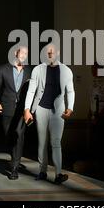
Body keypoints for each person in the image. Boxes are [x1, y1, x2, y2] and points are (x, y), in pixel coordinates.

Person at [23, 43, 75, 184]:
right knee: (42, 142)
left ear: (57, 52)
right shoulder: (37, 70)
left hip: (58, 111)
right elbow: (31, 91)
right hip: (40, 109)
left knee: (56, 142)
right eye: (48, 51)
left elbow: (70, 91)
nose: (50, 53)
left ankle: (58, 174)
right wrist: (27, 109)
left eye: (52, 51)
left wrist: (70, 107)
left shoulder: (66, 71)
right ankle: (42, 171)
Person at [0, 46, 31, 180]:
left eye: (26, 53)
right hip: (7, 108)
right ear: (16, 53)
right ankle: (14, 158)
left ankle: (14, 167)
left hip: (22, 110)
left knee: (19, 135)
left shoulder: (29, 71)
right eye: (22, 53)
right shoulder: (3, 69)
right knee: (9, 137)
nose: (24, 55)